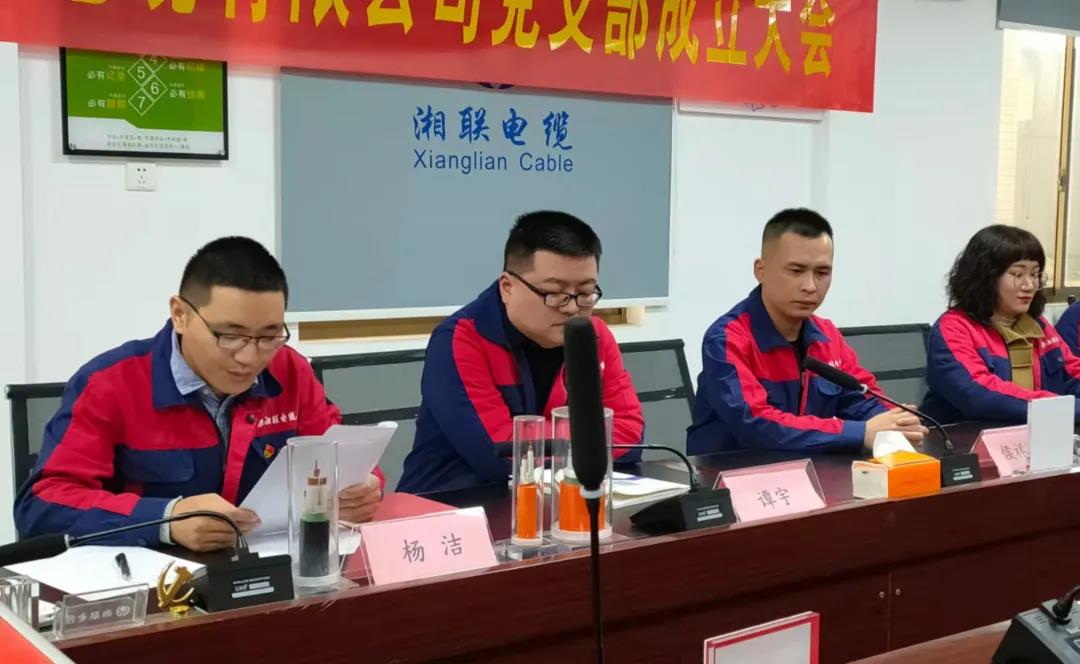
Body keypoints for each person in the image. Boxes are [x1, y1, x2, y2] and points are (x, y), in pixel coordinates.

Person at [14, 237, 383, 552]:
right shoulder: (110, 384)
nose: (250, 357)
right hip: (155, 586)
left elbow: (339, 452)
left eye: (270, 335)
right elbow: (42, 506)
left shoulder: (289, 371)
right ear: (180, 315)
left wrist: (364, 486)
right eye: (230, 335)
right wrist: (167, 519)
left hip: (269, 575)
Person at [398, 211, 644, 494]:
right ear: (507, 288)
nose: (572, 308)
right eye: (554, 293)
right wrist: (589, 439)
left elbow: (630, 437)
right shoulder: (460, 340)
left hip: (557, 499)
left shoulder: (594, 335)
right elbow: (501, 456)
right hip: (453, 503)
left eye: (586, 293)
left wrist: (537, 439)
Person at [687, 208, 928, 455]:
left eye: (822, 273)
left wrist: (894, 423)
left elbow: (860, 398)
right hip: (733, 472)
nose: (810, 286)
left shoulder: (827, 336)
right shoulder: (727, 339)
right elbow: (756, 423)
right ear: (761, 271)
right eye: (796, 271)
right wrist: (860, 433)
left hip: (809, 469)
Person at [922, 225, 1080, 423]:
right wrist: (1064, 409)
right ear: (986, 277)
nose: (1029, 285)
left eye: (1035, 274)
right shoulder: (954, 328)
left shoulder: (1038, 325)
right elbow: (978, 393)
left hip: (1034, 432)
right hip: (964, 437)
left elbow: (1072, 373)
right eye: (1018, 275)